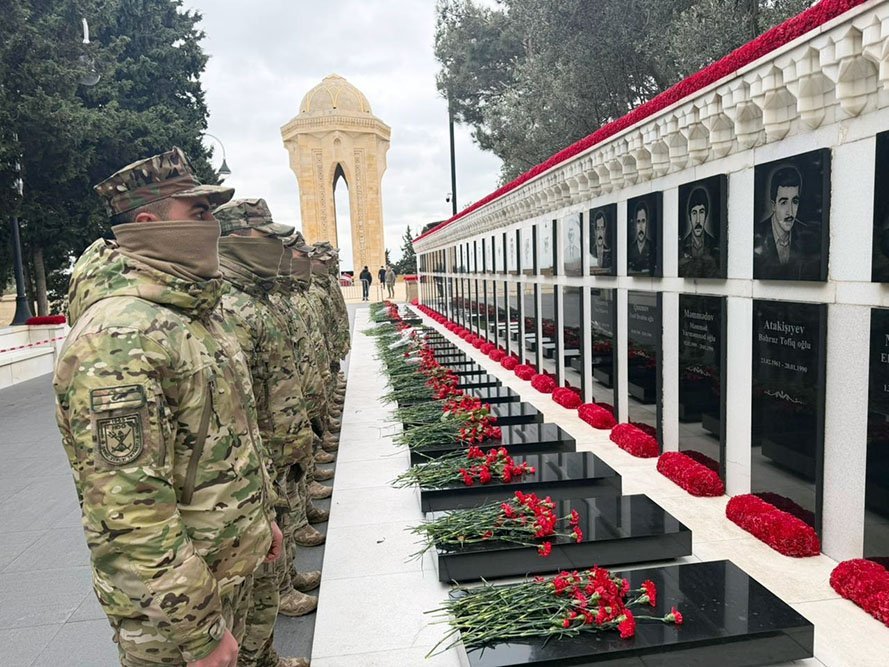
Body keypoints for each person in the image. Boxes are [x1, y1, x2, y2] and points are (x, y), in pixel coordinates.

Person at [53, 147, 282, 667]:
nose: (212, 227)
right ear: (147, 225)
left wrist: (259, 519)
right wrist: (198, 631)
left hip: (223, 573)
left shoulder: (193, 314)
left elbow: (231, 439)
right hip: (174, 616)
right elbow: (131, 509)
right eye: (198, 213)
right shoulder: (118, 336)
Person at [214, 198, 315, 667]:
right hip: (250, 468)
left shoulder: (257, 299)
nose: (277, 248)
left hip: (272, 453)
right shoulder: (231, 307)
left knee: (267, 570)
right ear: (236, 239)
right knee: (253, 581)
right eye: (266, 237)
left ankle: (264, 651)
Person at [753, 166, 822, 280]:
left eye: (795, 201)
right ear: (773, 205)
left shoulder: (806, 234)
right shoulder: (757, 233)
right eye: (784, 202)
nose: (790, 212)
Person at [680, 186, 719, 277]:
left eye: (701, 212)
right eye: (694, 213)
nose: (698, 220)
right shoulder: (682, 245)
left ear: (706, 215)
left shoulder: (714, 244)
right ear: (689, 216)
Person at [628, 199, 652, 274]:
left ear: (647, 223)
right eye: (638, 221)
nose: (641, 226)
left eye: (643, 221)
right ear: (635, 224)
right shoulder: (631, 248)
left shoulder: (652, 246)